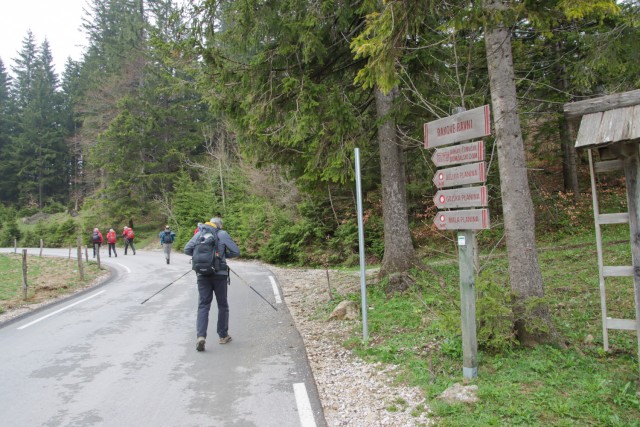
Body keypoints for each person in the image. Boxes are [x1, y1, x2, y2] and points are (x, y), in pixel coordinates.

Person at [184, 217, 240, 352]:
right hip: (219, 274)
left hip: (202, 274)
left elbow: (187, 249)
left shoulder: (199, 234)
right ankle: (223, 336)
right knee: (222, 305)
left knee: (203, 305)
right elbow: (236, 252)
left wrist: (203, 259)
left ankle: (201, 337)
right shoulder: (222, 234)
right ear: (219, 225)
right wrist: (222, 256)